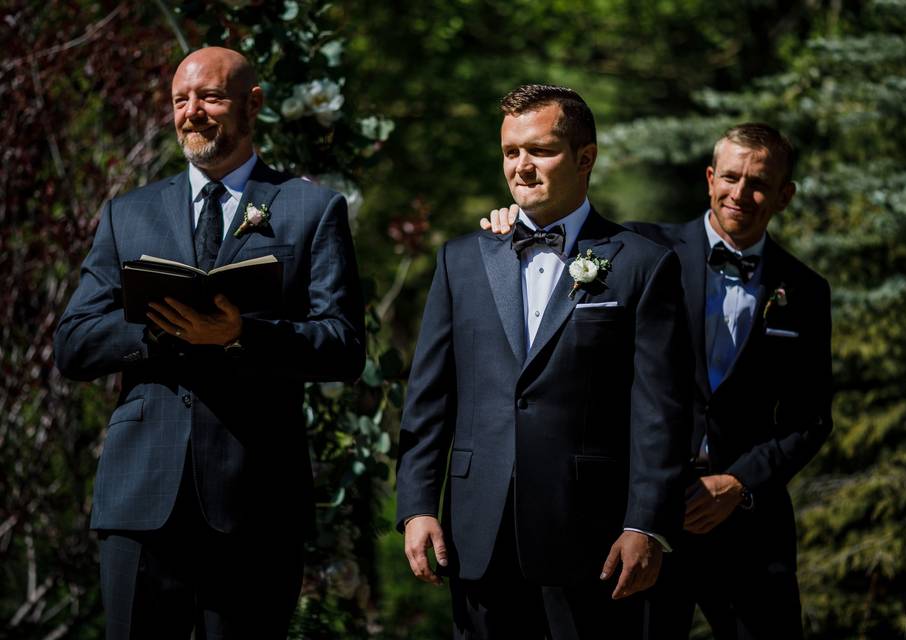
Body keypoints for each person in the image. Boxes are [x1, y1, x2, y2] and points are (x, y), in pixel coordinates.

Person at [54, 47, 364, 639]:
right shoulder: (128, 213)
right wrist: (156, 333)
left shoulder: (311, 209)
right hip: (141, 497)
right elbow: (73, 344)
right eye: (180, 100)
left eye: (210, 97)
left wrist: (243, 334)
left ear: (253, 105)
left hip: (258, 498)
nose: (192, 112)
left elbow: (343, 346)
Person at [483, 122, 833, 639]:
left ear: (785, 194)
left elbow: (810, 418)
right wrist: (512, 223)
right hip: (642, 515)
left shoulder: (804, 289)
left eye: (758, 183)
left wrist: (738, 484)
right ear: (710, 178)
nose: (741, 193)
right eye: (731, 177)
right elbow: (555, 241)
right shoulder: (642, 250)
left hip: (749, 525)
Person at [396, 84, 691, 638]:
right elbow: (430, 398)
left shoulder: (642, 265)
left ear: (586, 158)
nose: (522, 167)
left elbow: (660, 413)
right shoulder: (461, 260)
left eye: (540, 150)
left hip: (592, 539)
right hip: (476, 533)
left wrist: (646, 525)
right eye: (511, 152)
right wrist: (416, 506)